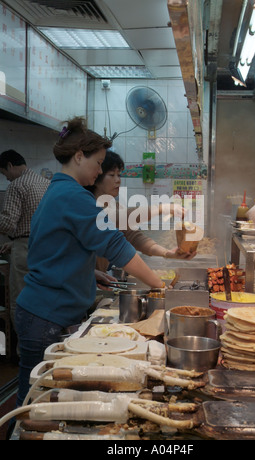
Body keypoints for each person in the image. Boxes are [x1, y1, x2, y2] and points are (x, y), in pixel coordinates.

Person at [14, 117, 164, 407]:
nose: (99, 170)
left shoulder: (57, 190)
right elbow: (116, 246)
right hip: (46, 315)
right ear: (79, 156)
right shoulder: (74, 196)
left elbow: (54, 249)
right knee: (35, 403)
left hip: (41, 311)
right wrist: (160, 285)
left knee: (37, 397)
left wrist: (89, 271)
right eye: (98, 162)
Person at [86, 150, 197, 274]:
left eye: (119, 175)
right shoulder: (89, 206)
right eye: (112, 175)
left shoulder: (115, 206)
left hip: (95, 281)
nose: (118, 180)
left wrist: (167, 253)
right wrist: (162, 208)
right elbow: (124, 217)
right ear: (97, 176)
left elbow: (136, 238)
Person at [0, 150, 50, 331]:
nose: (6, 178)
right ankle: (43, 342)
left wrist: (17, 241)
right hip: (49, 247)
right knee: (43, 297)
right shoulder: (46, 183)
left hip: (26, 250)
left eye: (4, 173)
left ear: (10, 166)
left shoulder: (17, 185)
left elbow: (7, 223)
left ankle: (24, 349)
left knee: (20, 299)